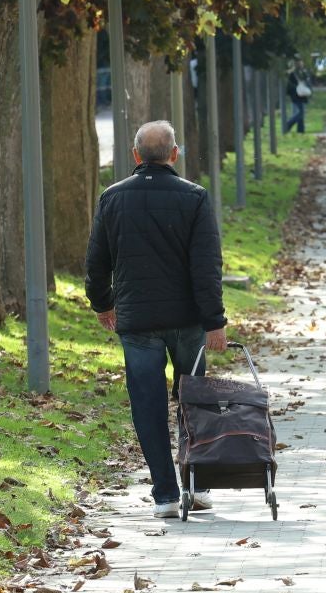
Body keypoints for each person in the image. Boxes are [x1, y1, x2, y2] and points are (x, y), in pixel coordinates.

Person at [85, 120, 228, 519]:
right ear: (174, 154)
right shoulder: (194, 198)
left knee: (146, 405)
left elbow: (97, 261)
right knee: (193, 401)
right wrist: (214, 320)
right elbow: (206, 265)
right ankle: (197, 485)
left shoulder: (112, 198)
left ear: (135, 156)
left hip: (138, 321)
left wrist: (102, 304)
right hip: (187, 321)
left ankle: (165, 493)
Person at [284, 65, 311, 134]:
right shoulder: (294, 73)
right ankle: (288, 124)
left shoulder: (299, 72)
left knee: (300, 112)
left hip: (299, 94)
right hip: (296, 94)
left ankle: (300, 130)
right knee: (300, 113)